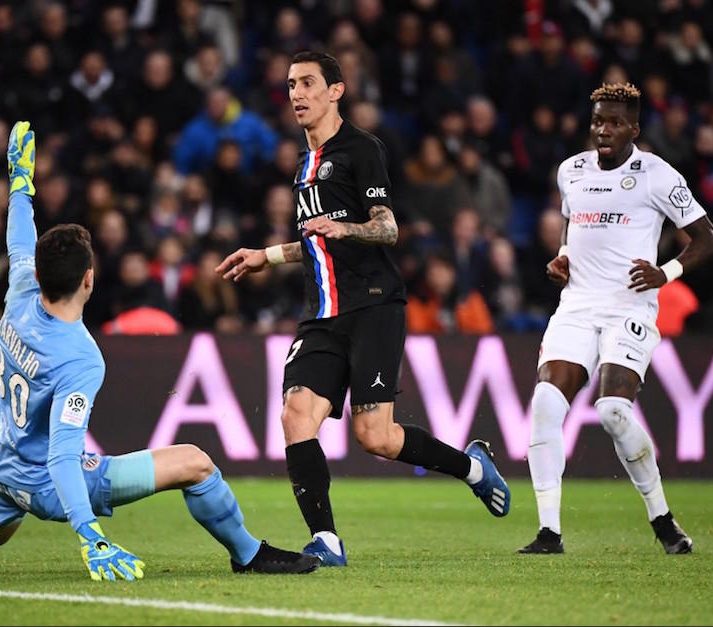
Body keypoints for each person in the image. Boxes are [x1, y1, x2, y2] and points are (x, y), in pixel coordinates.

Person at [0, 122, 320, 580]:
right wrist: (89, 533)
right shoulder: (80, 357)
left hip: (3, 460)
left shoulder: (22, 289)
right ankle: (249, 554)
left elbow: (18, 237)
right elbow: (63, 455)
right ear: (89, 280)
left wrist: (20, 184)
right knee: (196, 463)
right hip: (48, 482)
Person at [215, 51, 511, 567]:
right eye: (290, 85)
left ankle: (473, 468)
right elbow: (315, 241)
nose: (296, 94)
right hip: (321, 314)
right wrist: (267, 255)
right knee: (295, 415)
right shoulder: (303, 164)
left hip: (374, 306)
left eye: (308, 83)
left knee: (375, 436)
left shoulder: (361, 149)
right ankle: (326, 541)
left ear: (336, 91)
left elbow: (387, 228)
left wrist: (345, 227)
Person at [519, 83, 713, 555]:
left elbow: (707, 237)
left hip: (629, 307)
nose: (603, 130)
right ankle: (549, 533)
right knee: (546, 406)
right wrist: (564, 256)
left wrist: (665, 272)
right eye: (597, 122)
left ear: (635, 128)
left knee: (612, 411)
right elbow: (573, 222)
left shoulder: (656, 175)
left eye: (614, 122)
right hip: (576, 305)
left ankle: (663, 520)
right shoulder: (572, 171)